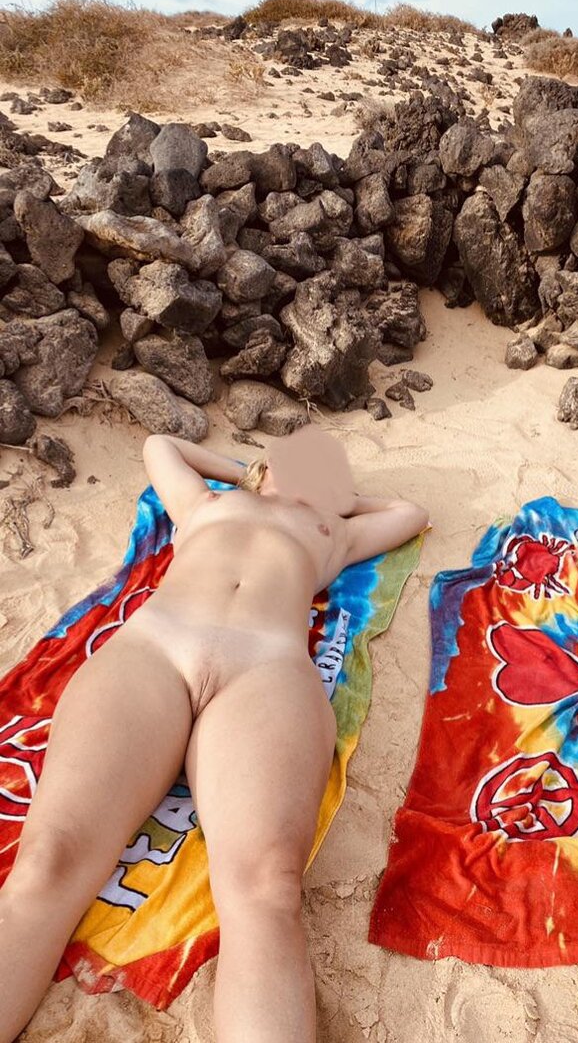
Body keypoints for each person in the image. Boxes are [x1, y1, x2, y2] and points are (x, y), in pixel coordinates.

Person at [0, 425, 429, 1043]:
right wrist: (245, 475)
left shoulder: (334, 533)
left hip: (266, 669)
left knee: (266, 889)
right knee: (49, 858)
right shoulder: (206, 502)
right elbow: (159, 446)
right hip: (156, 647)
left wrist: (337, 501)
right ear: (261, 466)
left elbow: (410, 513)